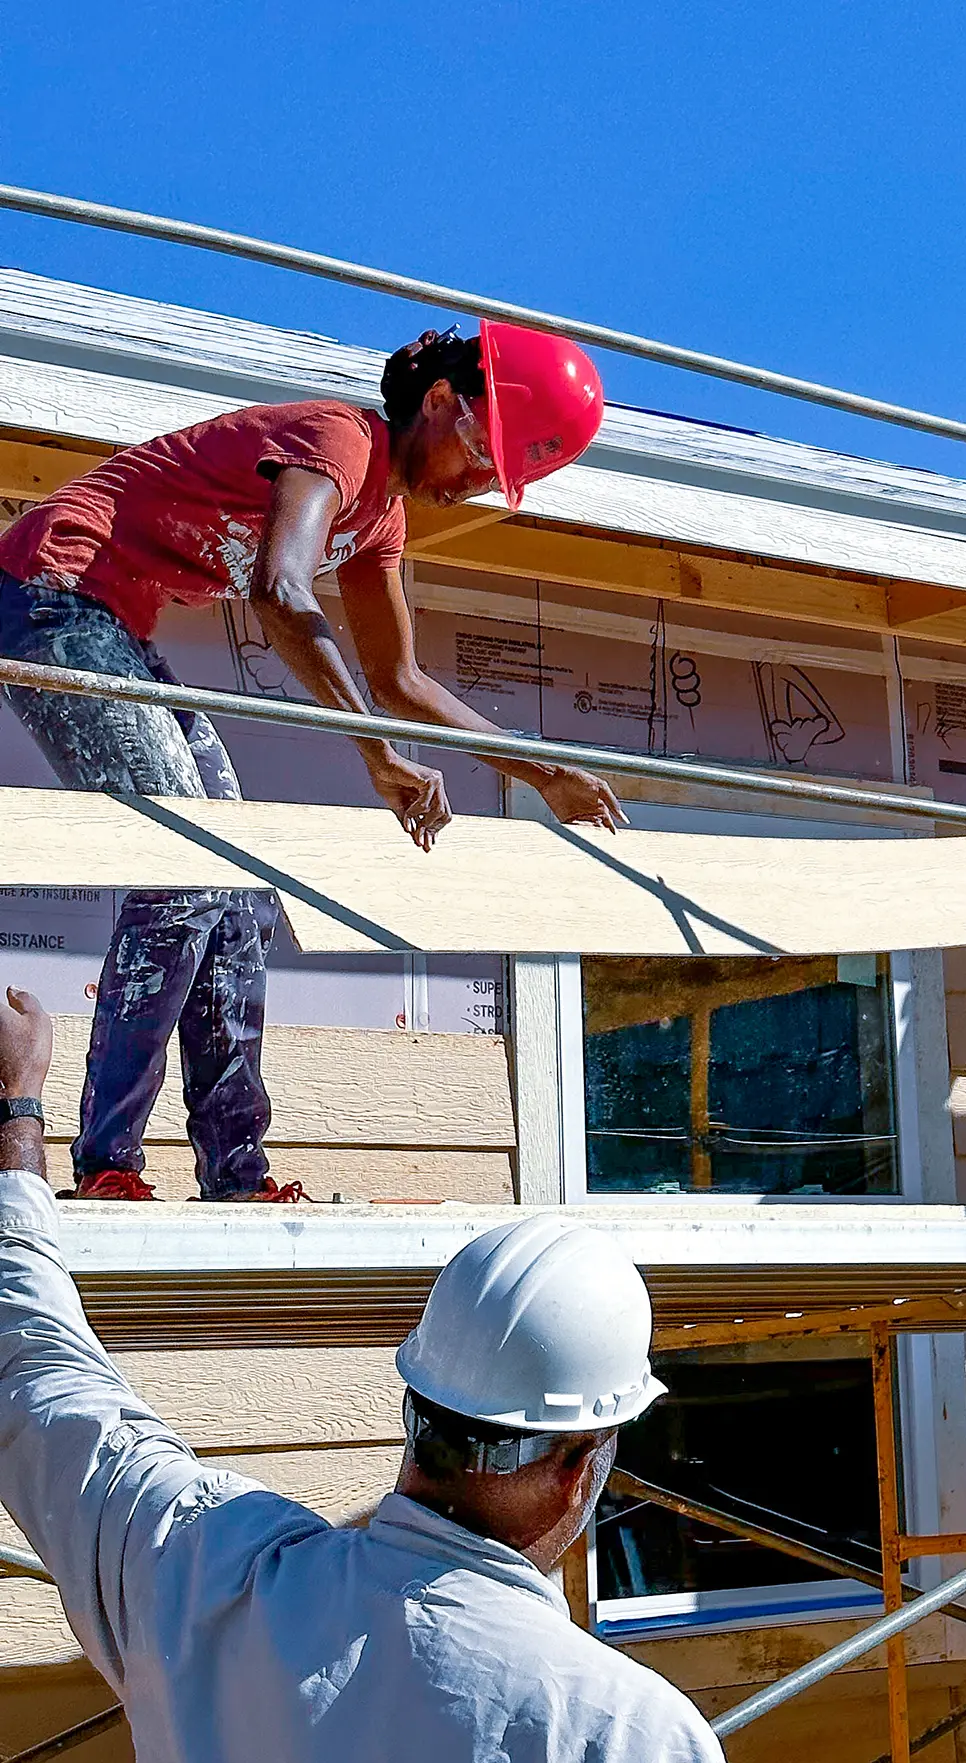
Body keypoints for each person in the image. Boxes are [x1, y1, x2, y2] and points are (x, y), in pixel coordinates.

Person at [0, 981, 751, 1763]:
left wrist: (20, 1098)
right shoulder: (634, 1756)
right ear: (583, 1467)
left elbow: (30, 1360)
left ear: (414, 1405)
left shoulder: (205, 1567)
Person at [0, 321, 627, 1202]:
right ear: (442, 401)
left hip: (112, 622)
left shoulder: (384, 520)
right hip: (49, 594)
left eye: (501, 479)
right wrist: (378, 759)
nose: (482, 482)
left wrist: (538, 769)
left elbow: (399, 676)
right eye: (486, 454)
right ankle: (107, 1163)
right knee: (181, 869)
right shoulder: (341, 440)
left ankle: (235, 1170)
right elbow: (282, 591)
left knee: (243, 884)